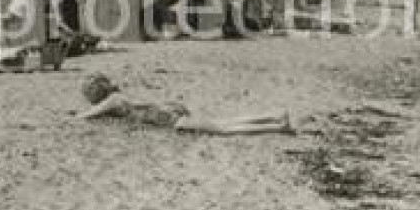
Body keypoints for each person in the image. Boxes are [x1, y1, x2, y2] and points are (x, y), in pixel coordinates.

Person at [77, 73, 295, 134]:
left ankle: (276, 123)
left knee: (223, 127)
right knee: (223, 123)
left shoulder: (113, 101)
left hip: (168, 119)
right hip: (166, 114)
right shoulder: (119, 97)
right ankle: (274, 116)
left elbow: (87, 115)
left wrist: (75, 116)